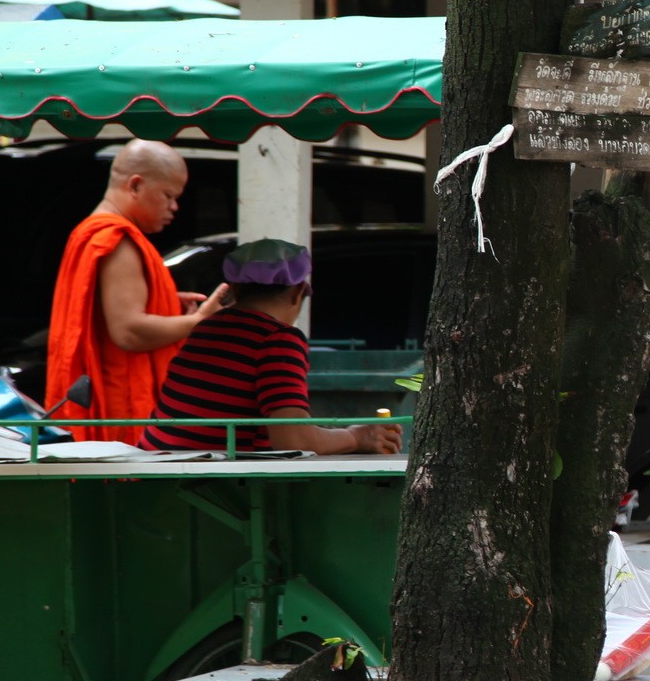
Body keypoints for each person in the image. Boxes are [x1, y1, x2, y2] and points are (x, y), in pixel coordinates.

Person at [142, 240, 402, 455]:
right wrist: (357, 436)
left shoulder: (206, 327)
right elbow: (295, 441)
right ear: (297, 292)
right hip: (206, 488)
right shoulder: (278, 339)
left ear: (235, 289)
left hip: (156, 467)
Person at [47, 142, 229, 444]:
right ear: (135, 185)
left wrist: (166, 302)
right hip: (122, 410)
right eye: (168, 196)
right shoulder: (117, 239)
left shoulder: (92, 230)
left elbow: (107, 314)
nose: (174, 207)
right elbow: (129, 332)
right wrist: (198, 322)